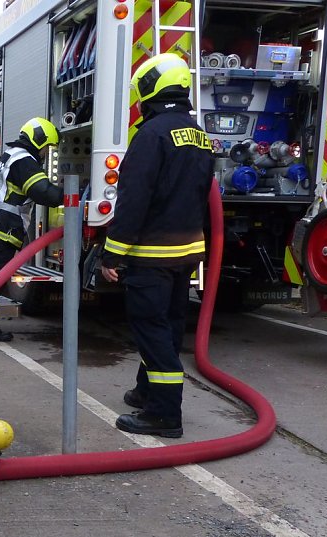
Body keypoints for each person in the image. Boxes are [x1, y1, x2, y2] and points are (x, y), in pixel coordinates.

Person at [100, 52, 214, 439]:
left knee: (150, 328)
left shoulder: (150, 135)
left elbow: (134, 200)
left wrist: (112, 252)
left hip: (152, 254)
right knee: (169, 325)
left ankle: (164, 415)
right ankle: (146, 391)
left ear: (151, 89)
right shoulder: (198, 133)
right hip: (186, 253)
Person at [0, 117, 63, 341]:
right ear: (40, 140)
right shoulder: (25, 161)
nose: (45, 154)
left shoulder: (12, 154)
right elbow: (42, 191)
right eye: (47, 147)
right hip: (3, 229)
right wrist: (68, 194)